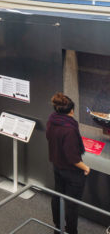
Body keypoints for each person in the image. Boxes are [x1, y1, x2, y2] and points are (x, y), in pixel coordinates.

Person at [46, 92, 90, 234]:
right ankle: (71, 231)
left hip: (57, 166)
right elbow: (73, 158)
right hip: (72, 172)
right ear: (71, 110)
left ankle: (57, 228)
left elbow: (49, 137)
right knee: (72, 205)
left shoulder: (52, 120)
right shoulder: (69, 129)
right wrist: (85, 167)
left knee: (57, 196)